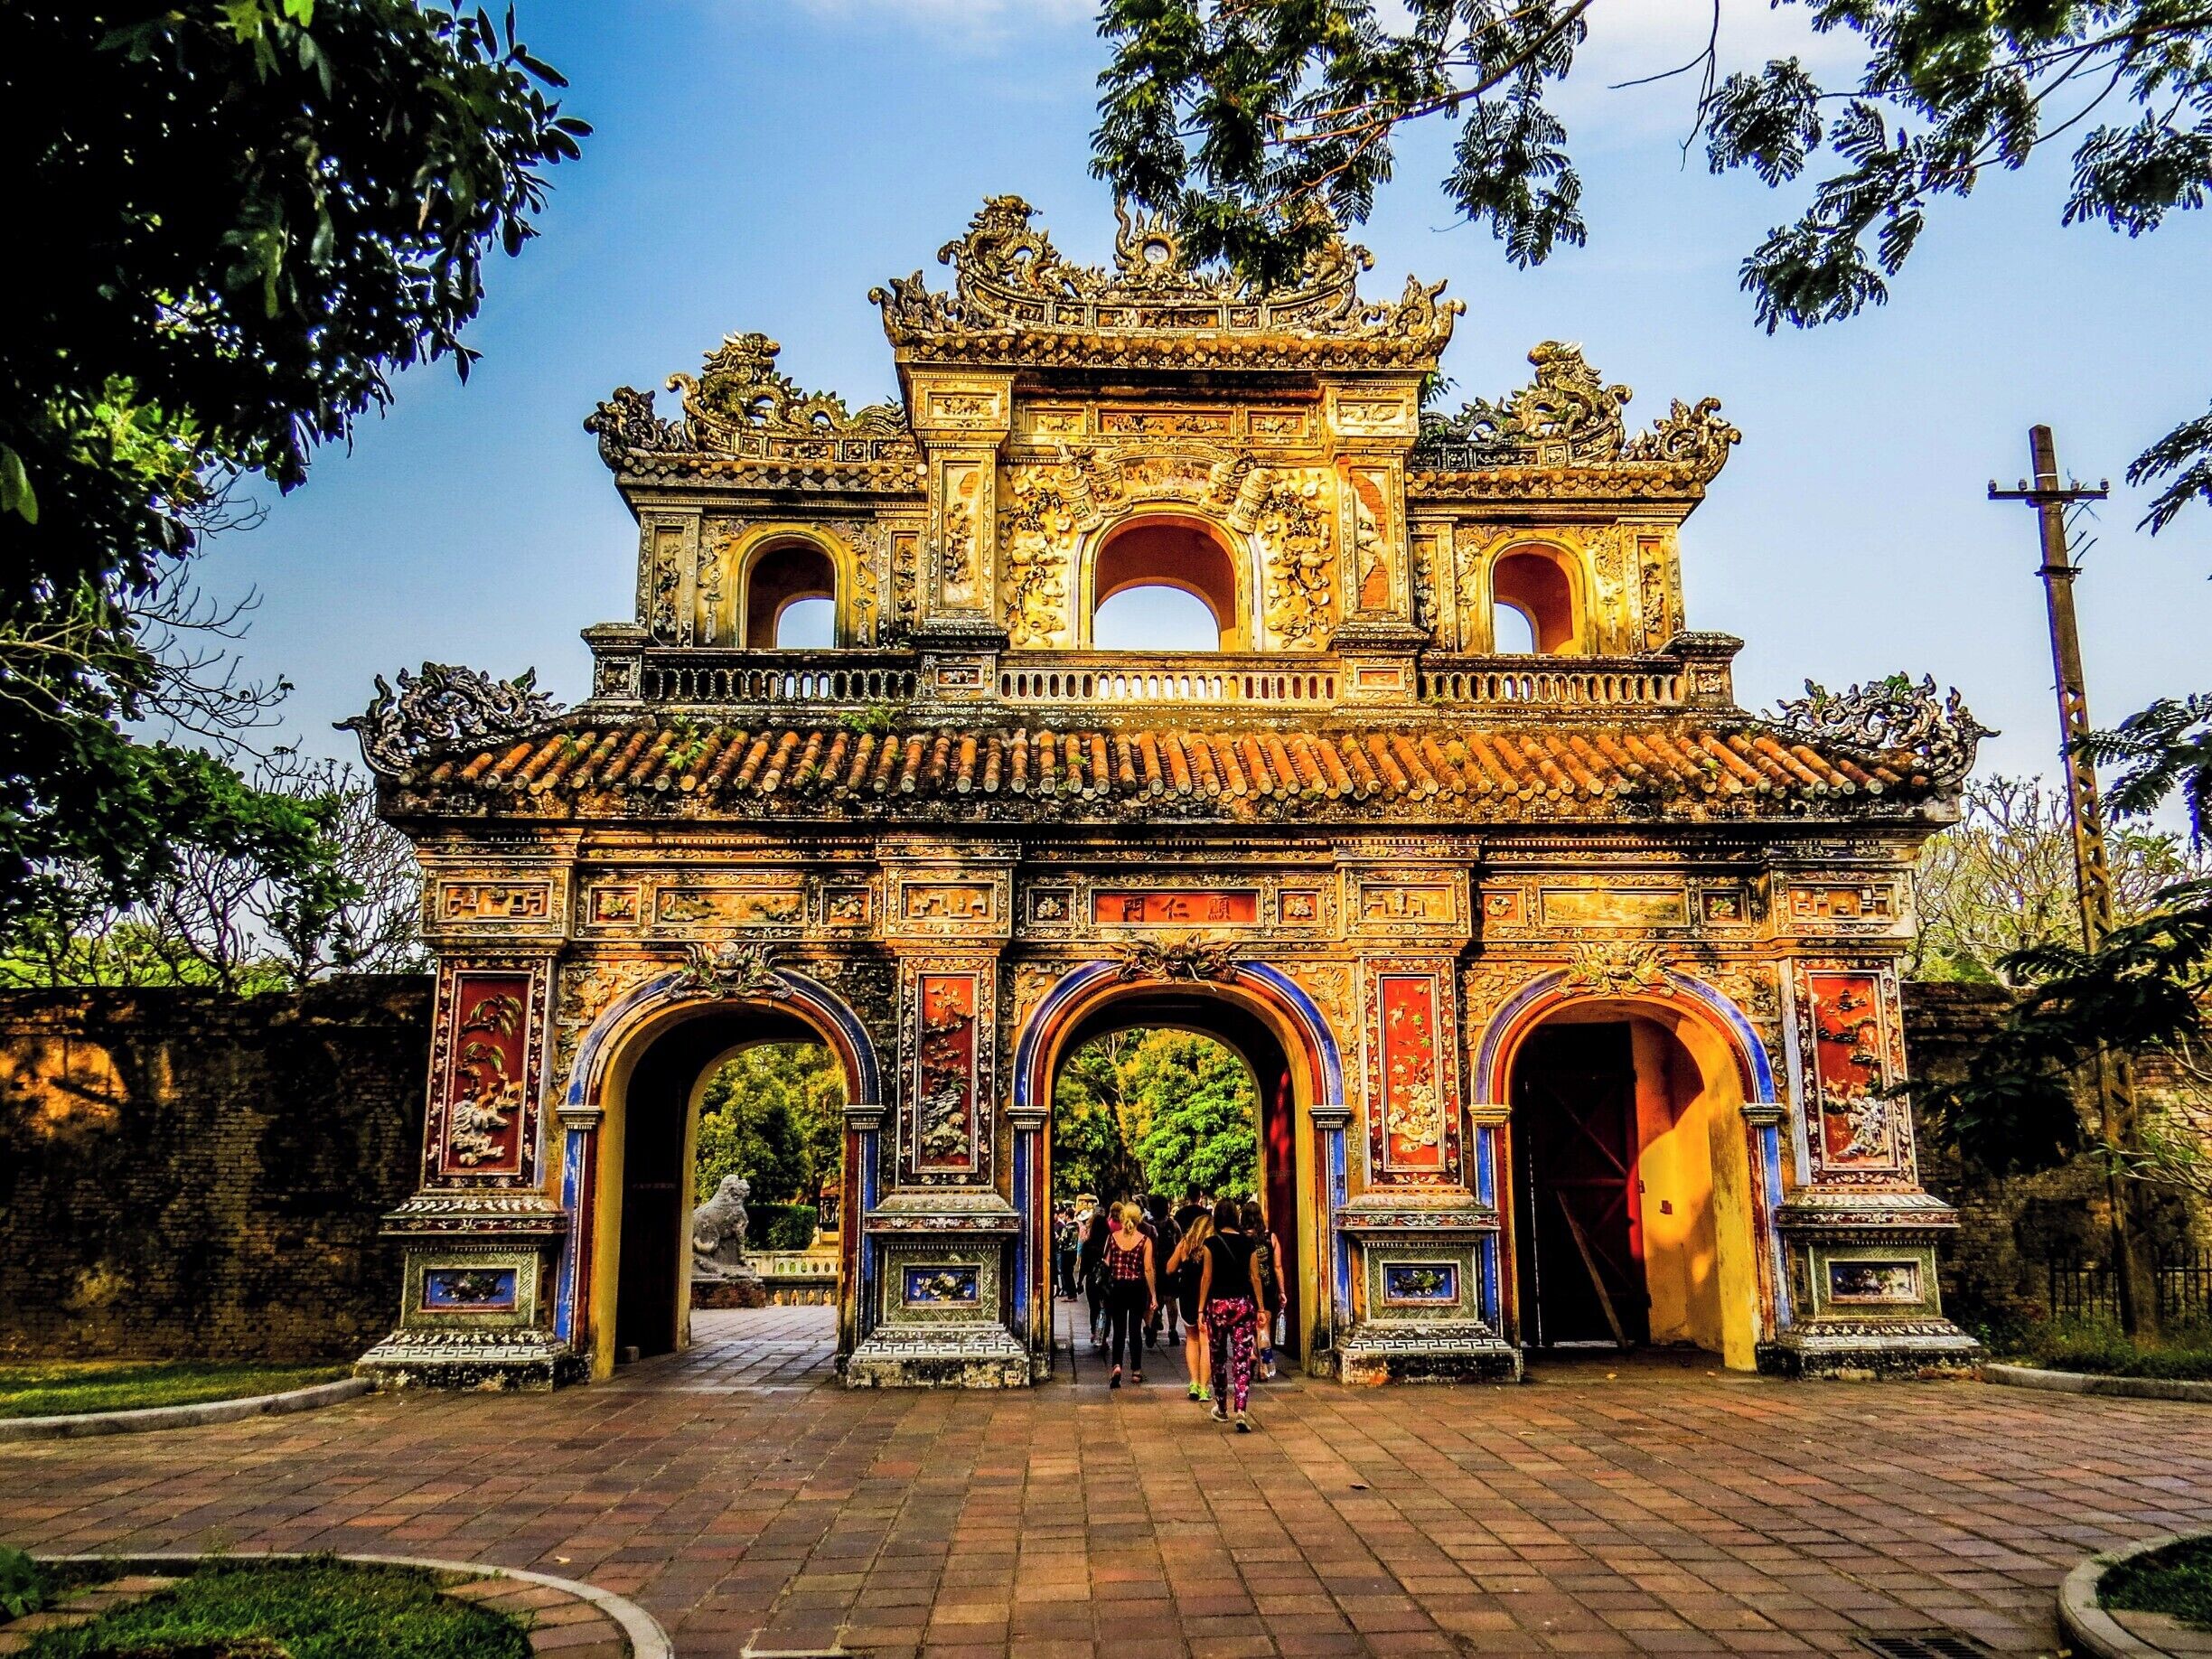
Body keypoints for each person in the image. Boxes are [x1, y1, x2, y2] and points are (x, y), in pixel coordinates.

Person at [1198, 1195, 1261, 1430]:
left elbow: (1207, 1277)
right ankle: (1242, 1410)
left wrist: (1201, 1308)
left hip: (1218, 1306)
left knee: (1218, 1357)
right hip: (1243, 1305)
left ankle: (1222, 1406)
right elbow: (1255, 1277)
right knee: (1242, 1359)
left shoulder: (1211, 1244)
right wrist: (1262, 1307)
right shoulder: (1248, 1244)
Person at [1101, 1201, 1156, 1388]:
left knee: (1118, 1330)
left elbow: (1106, 1262)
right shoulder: (1144, 1241)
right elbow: (1148, 1269)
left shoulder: (1113, 1237)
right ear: (1139, 1219)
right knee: (1134, 1330)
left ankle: (1117, 1365)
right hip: (1137, 1287)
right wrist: (1153, 1295)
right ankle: (1136, 1370)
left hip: (1117, 1287)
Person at [1164, 1209, 1214, 1402]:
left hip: (1186, 1295)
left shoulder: (1185, 1243)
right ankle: (1204, 1387)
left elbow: (1169, 1268)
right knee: (1206, 1341)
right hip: (1207, 1296)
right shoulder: (1211, 1245)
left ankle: (1193, 1382)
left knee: (1191, 1339)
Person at [1242, 1198, 1286, 1381]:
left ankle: (1251, 1352)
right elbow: (1277, 1267)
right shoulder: (1271, 1237)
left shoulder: (1240, 1237)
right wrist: (1282, 1291)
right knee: (1264, 1330)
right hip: (1267, 1287)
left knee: (1248, 1328)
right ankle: (1264, 1368)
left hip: (1245, 1287)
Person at [1145, 1193, 1182, 1345]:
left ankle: (1152, 1326)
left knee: (1153, 1298)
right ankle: (1172, 1330)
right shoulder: (1173, 1225)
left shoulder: (1147, 1225)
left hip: (1153, 1265)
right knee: (1170, 1300)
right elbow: (1179, 1243)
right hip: (1170, 1267)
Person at [1079, 1208, 1111, 1348]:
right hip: (1107, 1280)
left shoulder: (1088, 1244)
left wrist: (1079, 1281)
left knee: (1094, 1307)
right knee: (1107, 1308)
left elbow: (1083, 1266)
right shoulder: (1110, 1243)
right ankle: (1104, 1337)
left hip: (1092, 1279)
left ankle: (1094, 1332)